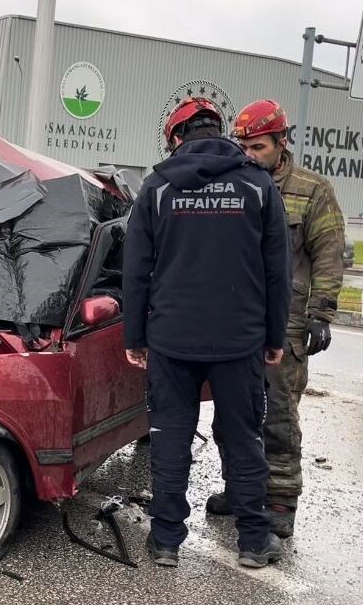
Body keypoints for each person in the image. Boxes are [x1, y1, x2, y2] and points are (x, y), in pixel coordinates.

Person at [123, 97, 290, 569]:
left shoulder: (156, 187)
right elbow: (278, 273)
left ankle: (164, 541)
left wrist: (135, 338)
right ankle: (255, 540)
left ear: (176, 138)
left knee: (171, 435)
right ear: (220, 132)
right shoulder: (258, 185)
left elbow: (135, 271)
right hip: (240, 340)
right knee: (241, 436)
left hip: (172, 339)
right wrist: (274, 336)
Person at [204, 100, 346, 539]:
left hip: (286, 319)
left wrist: (321, 313)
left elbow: (330, 253)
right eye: (242, 146)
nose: (249, 154)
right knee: (231, 413)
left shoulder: (311, 190)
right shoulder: (233, 182)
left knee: (277, 414)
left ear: (282, 142)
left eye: (259, 147)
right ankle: (241, 487)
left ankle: (281, 498)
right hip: (235, 318)